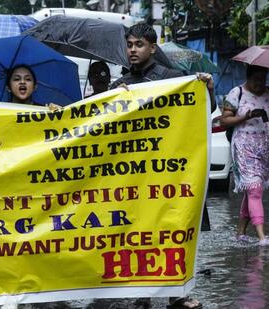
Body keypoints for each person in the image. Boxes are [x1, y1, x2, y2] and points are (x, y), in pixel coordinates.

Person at [109, 23, 214, 309]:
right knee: (139, 232)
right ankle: (142, 291)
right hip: (134, 174)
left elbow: (202, 111)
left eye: (139, 45)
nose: (133, 50)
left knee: (173, 229)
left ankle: (178, 294)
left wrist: (209, 90)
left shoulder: (174, 78)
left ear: (152, 47)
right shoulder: (118, 86)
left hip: (169, 170)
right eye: (129, 44)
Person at [219, 64, 268, 245]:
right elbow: (224, 120)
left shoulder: (268, 93)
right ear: (248, 78)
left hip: (264, 148)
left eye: (263, 80)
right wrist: (245, 117)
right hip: (243, 147)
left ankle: (240, 233)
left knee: (252, 191)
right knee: (254, 189)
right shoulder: (236, 93)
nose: (260, 84)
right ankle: (262, 237)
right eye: (256, 80)